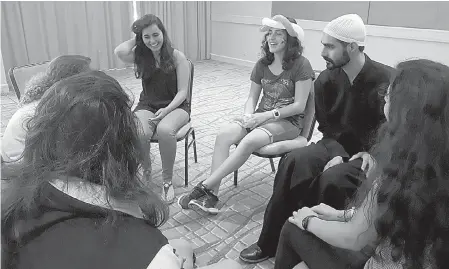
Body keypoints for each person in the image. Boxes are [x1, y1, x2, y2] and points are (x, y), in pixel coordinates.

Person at [1, 71, 242, 269]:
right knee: (231, 266)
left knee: (184, 246)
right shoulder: (145, 251)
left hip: (170, 110)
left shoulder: (13, 202)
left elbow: (181, 94)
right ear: (126, 147)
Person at [240, 14, 394, 263]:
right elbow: (327, 128)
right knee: (293, 161)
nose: (322, 52)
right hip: (334, 145)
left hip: (370, 156)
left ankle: (312, 244)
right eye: (323, 44)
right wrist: (335, 154)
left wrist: (372, 154)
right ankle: (269, 241)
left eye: (330, 46)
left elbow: (396, 131)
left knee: (333, 178)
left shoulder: (387, 81)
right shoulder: (324, 80)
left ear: (352, 47)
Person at [275, 59, 449, 269]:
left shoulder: (401, 169)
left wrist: (307, 220)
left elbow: (355, 238)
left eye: (389, 94)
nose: (384, 98)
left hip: (385, 261)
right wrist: (342, 214)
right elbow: (394, 214)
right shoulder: (436, 162)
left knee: (292, 228)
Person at [178, 15, 315, 215]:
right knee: (224, 134)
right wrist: (247, 115)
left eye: (279, 33)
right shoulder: (262, 64)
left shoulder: (302, 65)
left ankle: (204, 187)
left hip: (288, 122)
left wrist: (266, 116)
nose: (272, 38)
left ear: (291, 39)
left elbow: (299, 106)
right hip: (260, 116)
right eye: (270, 33)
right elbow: (252, 97)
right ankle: (212, 196)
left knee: (249, 140)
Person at [114, 14, 191, 204]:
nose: (152, 41)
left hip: (176, 106)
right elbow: (119, 51)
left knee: (165, 130)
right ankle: (146, 173)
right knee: (139, 132)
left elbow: (183, 92)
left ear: (163, 33)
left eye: (156, 35)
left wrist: (166, 111)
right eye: (147, 37)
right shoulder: (142, 56)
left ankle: (167, 182)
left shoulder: (176, 56)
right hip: (148, 104)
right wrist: (138, 37)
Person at [1, 55, 91, 165]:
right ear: (72, 81)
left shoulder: (52, 97)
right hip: (20, 168)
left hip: (26, 161)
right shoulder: (49, 108)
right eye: (89, 77)